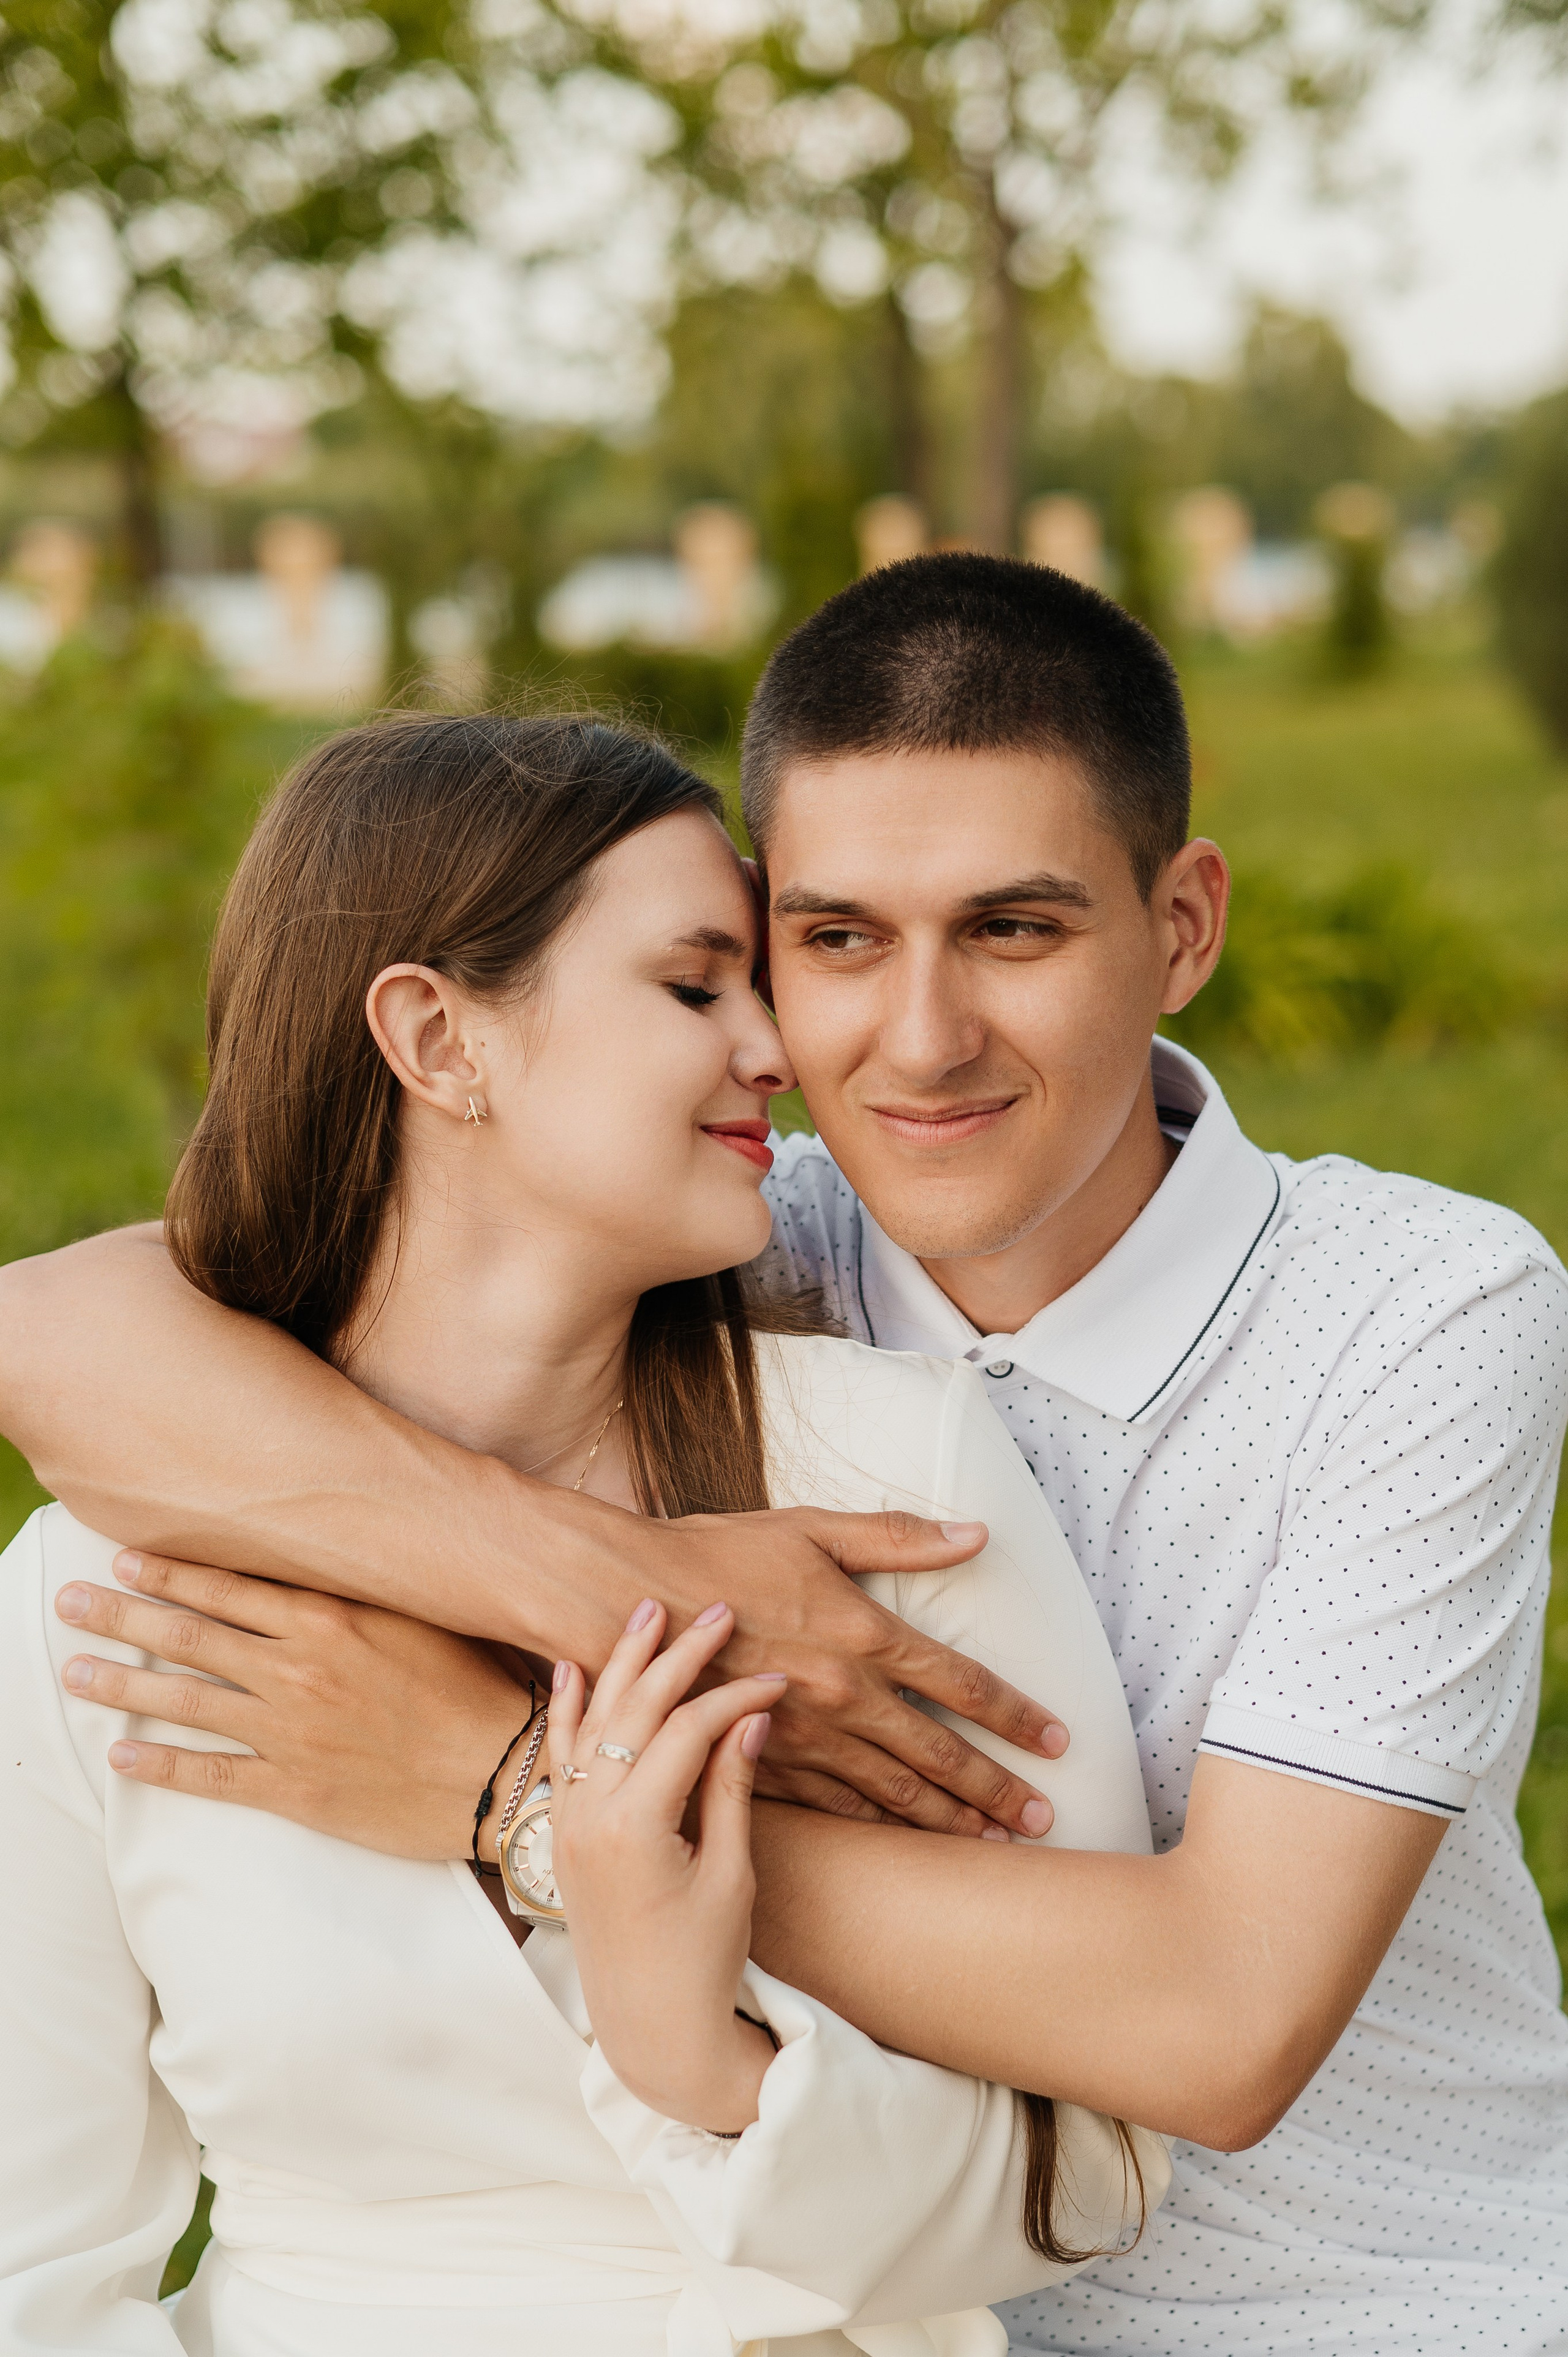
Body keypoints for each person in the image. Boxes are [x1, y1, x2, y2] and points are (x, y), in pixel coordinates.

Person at [5, 554, 1567, 2352]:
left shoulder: (1414, 1311)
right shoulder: (749, 1244)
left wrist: (516, 1781)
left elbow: (1225, 2021)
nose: (910, 1042)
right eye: (828, 941)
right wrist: (611, 1594)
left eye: (1016, 929)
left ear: (1184, 926)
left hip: (1378, 2310)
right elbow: (54, 1332)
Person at [0, 711, 1166, 2356]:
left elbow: (1091, 2169)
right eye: (698, 986)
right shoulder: (103, 1600)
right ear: (436, 1037)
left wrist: (707, 2066)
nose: (779, 1049)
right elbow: (33, 2273)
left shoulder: (884, 1479)